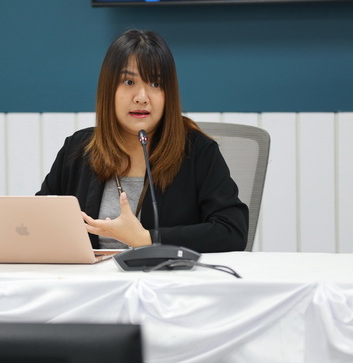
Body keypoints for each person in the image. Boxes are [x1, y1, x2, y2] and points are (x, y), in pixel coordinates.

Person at [37, 29, 248, 253]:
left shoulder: (198, 151)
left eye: (155, 84)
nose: (141, 97)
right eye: (129, 82)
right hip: (91, 275)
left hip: (165, 274)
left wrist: (147, 239)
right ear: (108, 89)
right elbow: (38, 221)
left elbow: (232, 232)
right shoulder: (78, 149)